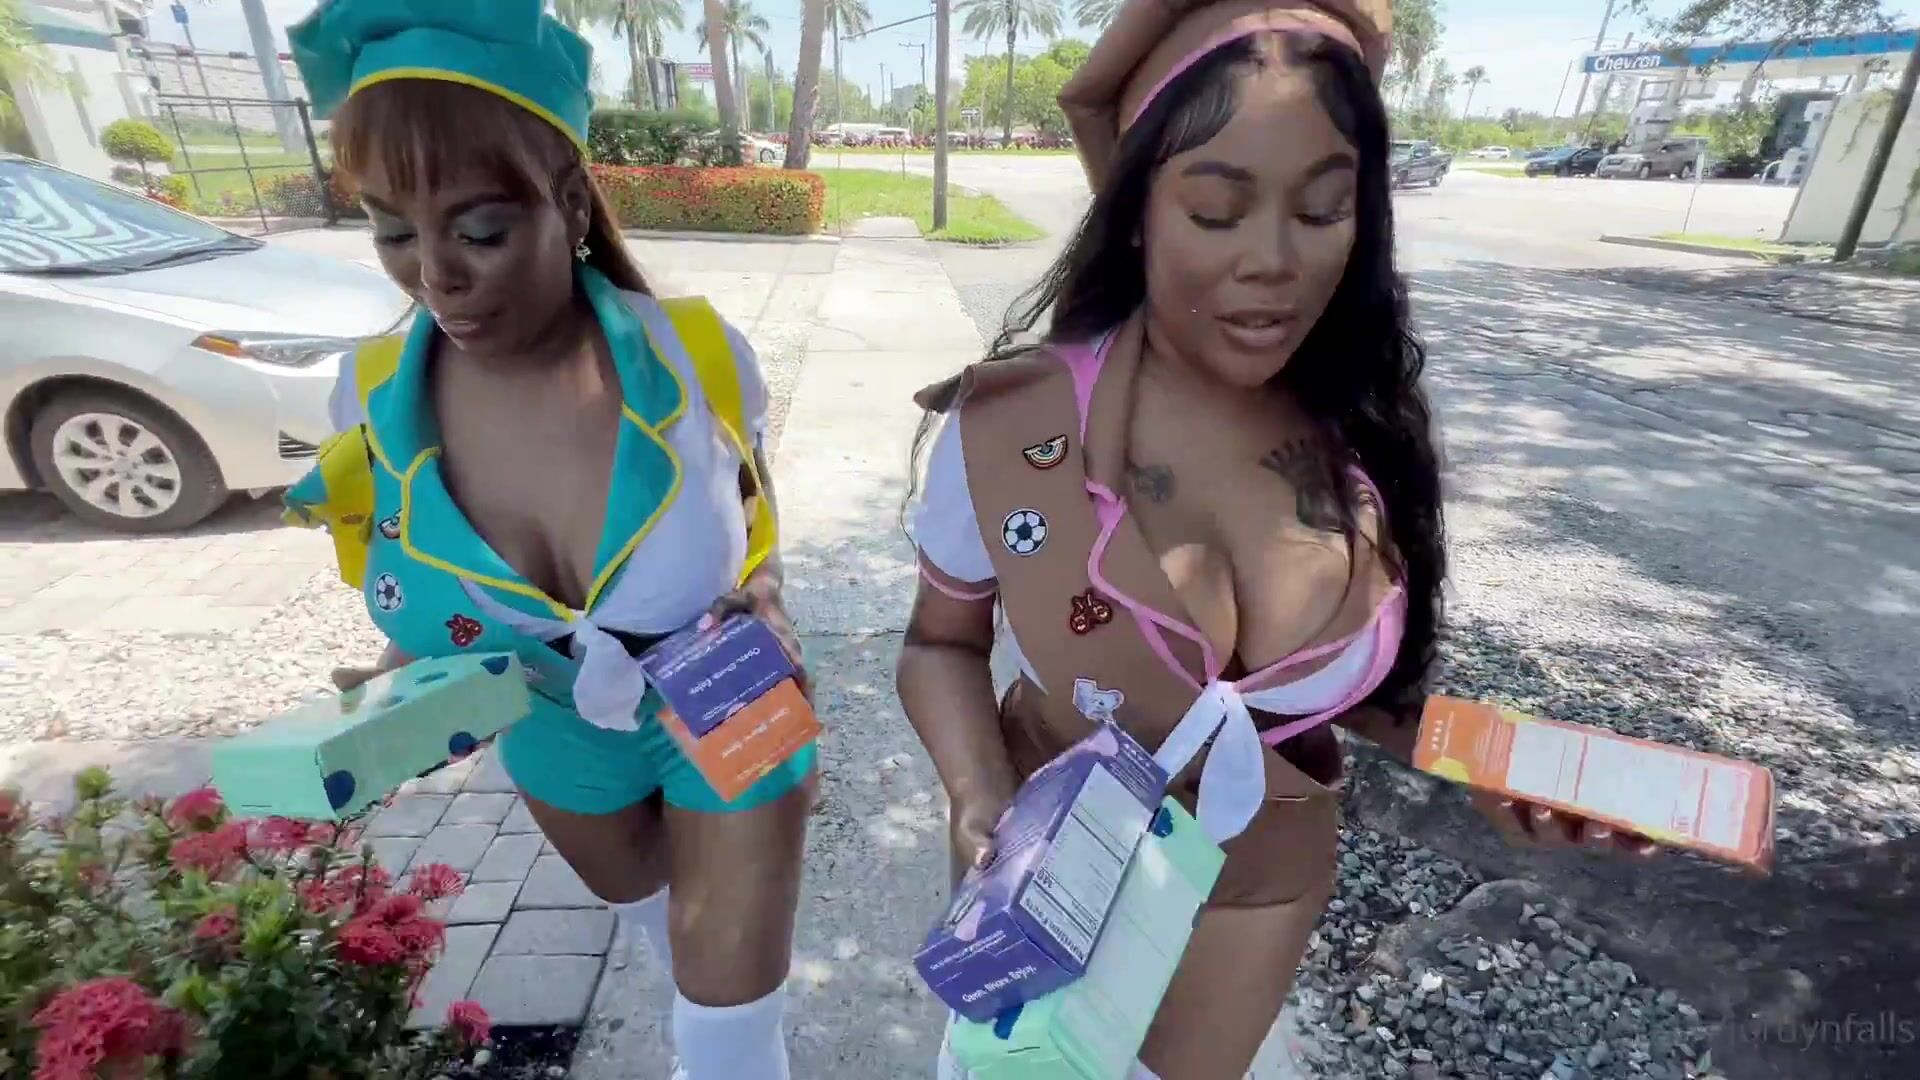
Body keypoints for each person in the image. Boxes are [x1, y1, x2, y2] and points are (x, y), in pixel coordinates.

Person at [896, 2, 1655, 1077]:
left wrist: (1496, 764)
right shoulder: (1013, 433)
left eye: (1323, 209)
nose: (1274, 261)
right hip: (1052, 876)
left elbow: (1343, 697)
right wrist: (979, 792)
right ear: (1137, 210)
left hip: (1264, 884)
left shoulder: (1363, 424)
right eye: (1216, 210)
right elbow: (939, 642)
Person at [279, 4, 813, 1077]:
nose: (435, 275)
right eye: (393, 232)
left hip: (731, 697)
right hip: (546, 725)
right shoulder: (369, 398)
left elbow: (752, 519)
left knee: (726, 1025)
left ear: (568, 202)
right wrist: (391, 692)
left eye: (478, 232)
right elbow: (418, 594)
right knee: (670, 948)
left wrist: (768, 595)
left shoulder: (699, 355)